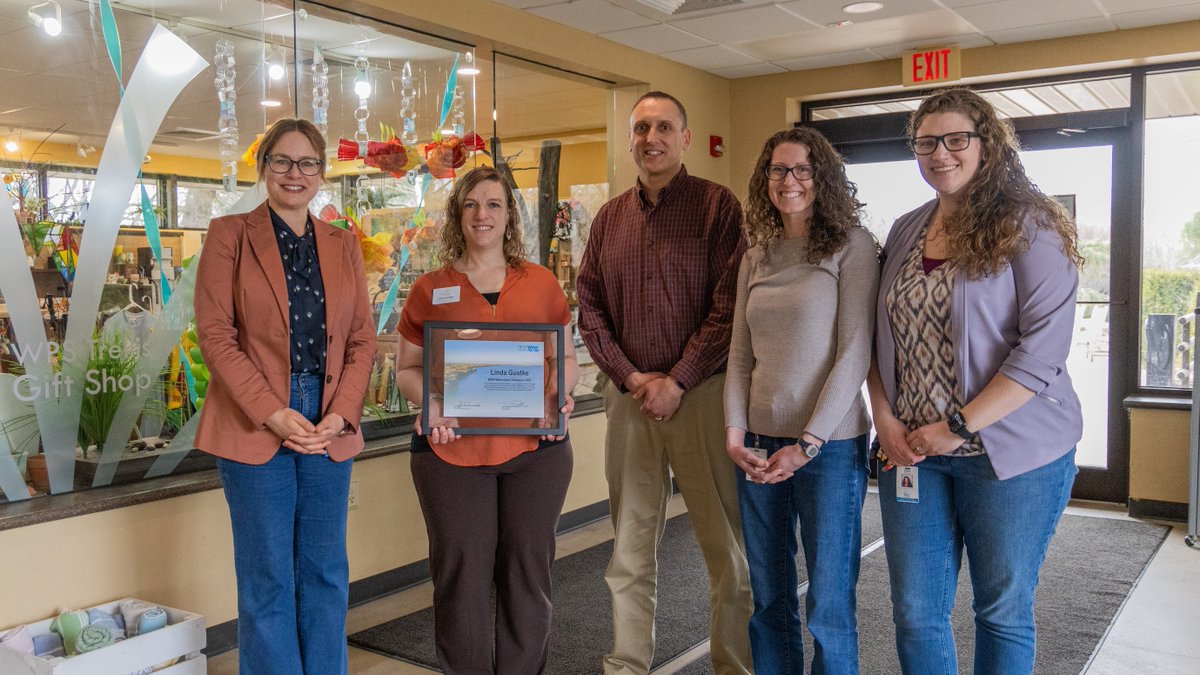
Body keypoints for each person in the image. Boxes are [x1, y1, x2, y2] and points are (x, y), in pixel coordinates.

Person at [867, 87, 1084, 674]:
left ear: (987, 143)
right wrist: (884, 421)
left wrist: (958, 426)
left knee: (1001, 611)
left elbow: (1041, 353)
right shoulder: (909, 228)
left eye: (956, 138)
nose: (941, 153)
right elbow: (878, 338)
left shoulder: (1029, 223)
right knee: (914, 612)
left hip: (1009, 455)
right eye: (926, 141)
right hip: (912, 453)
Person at [577, 91, 753, 675]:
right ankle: (626, 665)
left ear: (685, 136)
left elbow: (730, 308)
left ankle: (733, 664)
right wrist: (630, 377)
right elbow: (590, 309)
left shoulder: (717, 207)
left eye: (664, 127)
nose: (652, 138)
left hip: (701, 397)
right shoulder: (608, 219)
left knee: (725, 550)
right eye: (641, 128)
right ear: (631, 139)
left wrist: (676, 380)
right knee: (628, 549)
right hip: (629, 402)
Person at [194, 117, 377, 675]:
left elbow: (362, 340)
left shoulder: (343, 245)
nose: (294, 174)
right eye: (282, 161)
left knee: (325, 572)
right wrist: (272, 413)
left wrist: (343, 415)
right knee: (267, 577)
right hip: (256, 421)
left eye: (307, 164)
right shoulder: (230, 234)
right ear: (263, 166)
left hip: (327, 422)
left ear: (322, 174)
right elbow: (217, 336)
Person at [395, 166, 578, 674]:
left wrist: (562, 393)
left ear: (508, 215)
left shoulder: (540, 283)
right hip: (451, 454)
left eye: (493, 204)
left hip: (535, 455)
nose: (482, 214)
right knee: (461, 581)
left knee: (528, 578)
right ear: (458, 214)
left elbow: (564, 359)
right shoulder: (431, 288)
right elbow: (408, 369)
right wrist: (428, 406)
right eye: (471, 204)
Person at [724, 126, 878, 674]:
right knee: (769, 596)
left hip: (830, 448)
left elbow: (854, 353)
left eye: (802, 170)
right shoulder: (756, 256)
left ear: (823, 178)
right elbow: (740, 356)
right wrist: (735, 434)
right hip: (759, 448)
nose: (789, 181)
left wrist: (809, 443)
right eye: (778, 170)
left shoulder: (852, 246)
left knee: (829, 602)